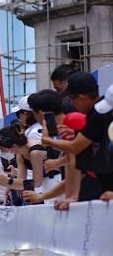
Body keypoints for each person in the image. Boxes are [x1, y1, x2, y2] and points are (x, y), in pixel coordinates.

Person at [42, 74, 113, 204]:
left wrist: (47, 140)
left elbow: (75, 149)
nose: (72, 103)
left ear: (82, 97)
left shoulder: (94, 116)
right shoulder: (98, 114)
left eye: (71, 99)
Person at [0, 122, 50, 205]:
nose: (3, 153)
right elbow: (21, 183)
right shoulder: (20, 154)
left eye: (3, 150)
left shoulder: (35, 151)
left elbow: (37, 182)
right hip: (47, 188)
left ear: (13, 146)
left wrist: (7, 181)